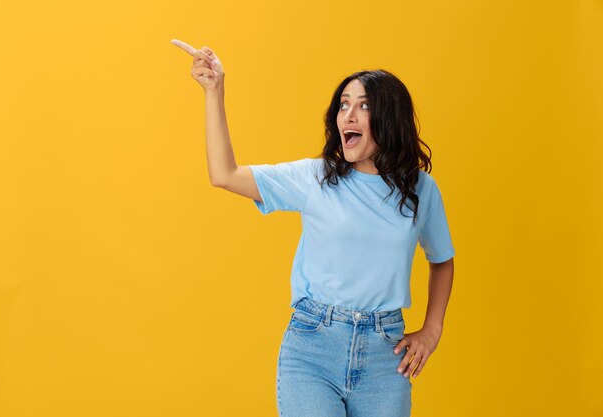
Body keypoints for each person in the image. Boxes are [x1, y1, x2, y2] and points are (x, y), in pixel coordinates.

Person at [172, 39, 455, 417]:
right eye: (344, 105)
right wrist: (214, 92)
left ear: (390, 117)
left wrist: (431, 331)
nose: (348, 116)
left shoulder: (420, 190)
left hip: (385, 356)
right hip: (313, 348)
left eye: (363, 106)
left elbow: (442, 260)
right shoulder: (316, 178)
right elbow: (224, 174)